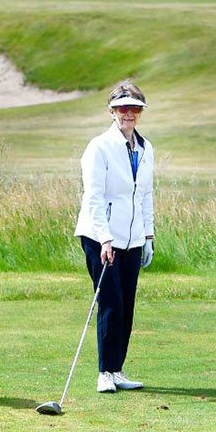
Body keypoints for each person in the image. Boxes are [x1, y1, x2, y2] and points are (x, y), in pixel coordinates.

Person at [73, 81, 156, 394]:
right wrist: (105, 239)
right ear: (111, 111)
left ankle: (118, 368)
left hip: (132, 239)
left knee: (127, 306)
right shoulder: (99, 147)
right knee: (110, 302)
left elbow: (145, 194)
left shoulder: (146, 149)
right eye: (123, 108)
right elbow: (94, 197)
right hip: (100, 238)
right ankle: (104, 373)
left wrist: (148, 235)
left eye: (135, 108)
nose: (129, 113)